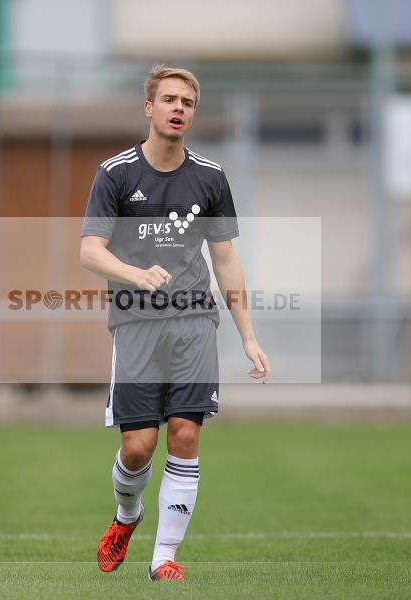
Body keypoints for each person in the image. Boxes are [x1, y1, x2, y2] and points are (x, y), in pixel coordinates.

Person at [80, 64, 270, 581]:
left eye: (187, 102)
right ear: (149, 108)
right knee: (138, 447)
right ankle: (126, 517)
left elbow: (226, 259)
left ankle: (163, 559)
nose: (178, 108)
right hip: (136, 324)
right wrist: (135, 275)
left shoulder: (210, 177)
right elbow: (90, 251)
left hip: (194, 322)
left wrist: (248, 335)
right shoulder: (116, 173)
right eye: (169, 100)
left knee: (185, 435)